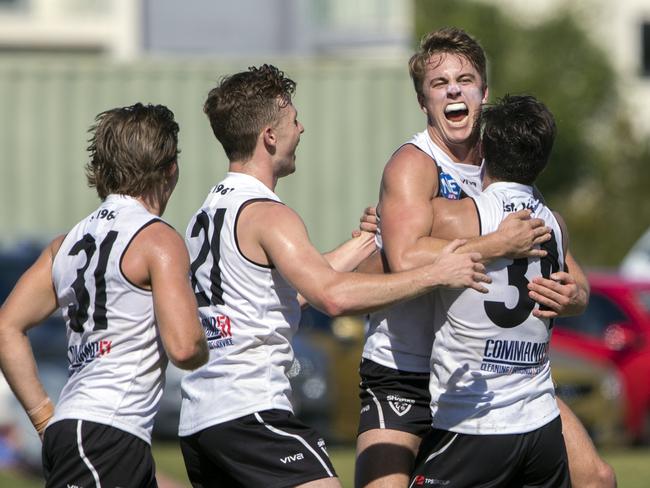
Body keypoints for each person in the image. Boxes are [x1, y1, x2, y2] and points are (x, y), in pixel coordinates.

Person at [177, 64, 492, 488]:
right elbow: (332, 297)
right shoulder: (269, 215)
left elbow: (291, 292)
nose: (301, 128)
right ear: (269, 135)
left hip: (199, 419)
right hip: (249, 410)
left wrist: (369, 239)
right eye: (292, 120)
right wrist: (436, 273)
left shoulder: (207, 213)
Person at [355, 27, 616, 488]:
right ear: (424, 103)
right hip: (407, 366)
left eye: (465, 79)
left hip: (490, 373)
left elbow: (568, 272)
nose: (453, 89)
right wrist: (494, 245)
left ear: (484, 92)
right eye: (439, 84)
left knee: (596, 477)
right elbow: (405, 255)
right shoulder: (414, 165)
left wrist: (573, 294)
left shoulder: (501, 162)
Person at [0, 103, 209, 487]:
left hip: (89, 429)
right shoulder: (158, 239)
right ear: (171, 168)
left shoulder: (64, 245)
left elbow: (6, 327)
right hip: (107, 432)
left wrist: (46, 417)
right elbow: (184, 347)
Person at [410, 93, 570, 486]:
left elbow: (402, 252)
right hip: (542, 425)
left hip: (475, 422)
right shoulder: (556, 224)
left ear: (482, 148)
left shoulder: (457, 216)